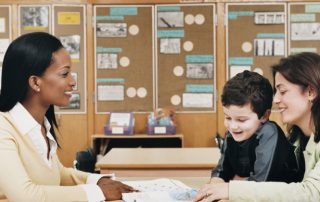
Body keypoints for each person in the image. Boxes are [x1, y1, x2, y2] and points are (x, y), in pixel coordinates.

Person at [0, 32, 135, 202]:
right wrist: (98, 192)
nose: (72, 82)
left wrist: (97, 180)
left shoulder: (41, 126)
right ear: (35, 82)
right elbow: (26, 196)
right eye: (64, 74)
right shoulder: (3, 128)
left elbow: (58, 173)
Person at [194, 52, 320, 202]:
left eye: (283, 91)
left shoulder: (271, 133)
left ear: (311, 92)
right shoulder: (297, 138)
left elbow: (311, 193)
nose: (275, 99)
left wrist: (231, 189)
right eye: (276, 92)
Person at [210, 70, 300, 184]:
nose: (232, 126)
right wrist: (215, 182)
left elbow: (260, 183)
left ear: (264, 115)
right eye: (228, 118)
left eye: (241, 120)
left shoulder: (269, 132)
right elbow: (222, 170)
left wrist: (232, 185)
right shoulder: (232, 134)